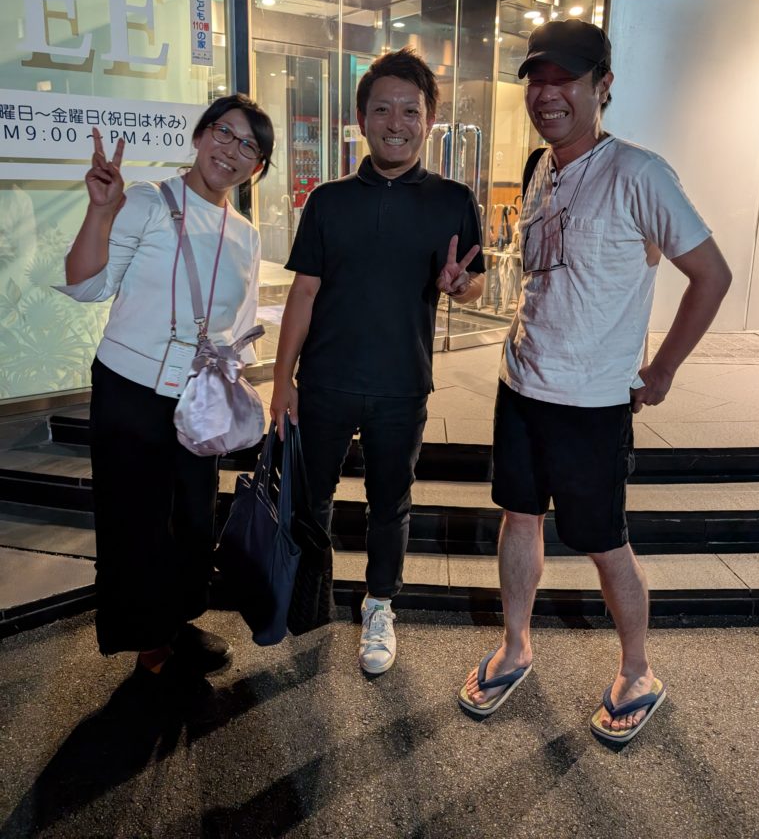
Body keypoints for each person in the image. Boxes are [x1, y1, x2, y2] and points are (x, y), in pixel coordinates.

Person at [458, 19, 732, 744]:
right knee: (518, 517)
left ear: (602, 85)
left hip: (591, 401)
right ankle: (516, 647)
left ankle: (637, 671)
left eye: (565, 80)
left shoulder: (640, 173)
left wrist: (662, 369)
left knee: (605, 542)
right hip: (521, 384)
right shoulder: (538, 167)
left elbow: (711, 274)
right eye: (536, 80)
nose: (547, 95)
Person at [270, 48, 485, 675]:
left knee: (391, 502)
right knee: (311, 497)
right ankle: (307, 596)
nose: (397, 123)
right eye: (383, 109)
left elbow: (472, 282)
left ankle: (380, 604)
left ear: (429, 120)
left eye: (410, 111)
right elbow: (304, 293)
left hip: (402, 382)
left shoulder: (453, 199)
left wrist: (461, 286)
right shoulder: (328, 200)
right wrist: (282, 381)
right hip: (325, 380)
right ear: (362, 118)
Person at [55, 94, 273, 687]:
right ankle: (149, 644)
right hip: (130, 391)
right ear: (200, 136)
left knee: (194, 521)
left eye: (248, 145)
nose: (231, 150)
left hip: (199, 396)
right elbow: (86, 285)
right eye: (223, 133)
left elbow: (241, 324)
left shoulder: (246, 235)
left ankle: (176, 622)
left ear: (257, 166)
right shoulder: (148, 202)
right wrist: (101, 211)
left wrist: (240, 391)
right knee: (136, 523)